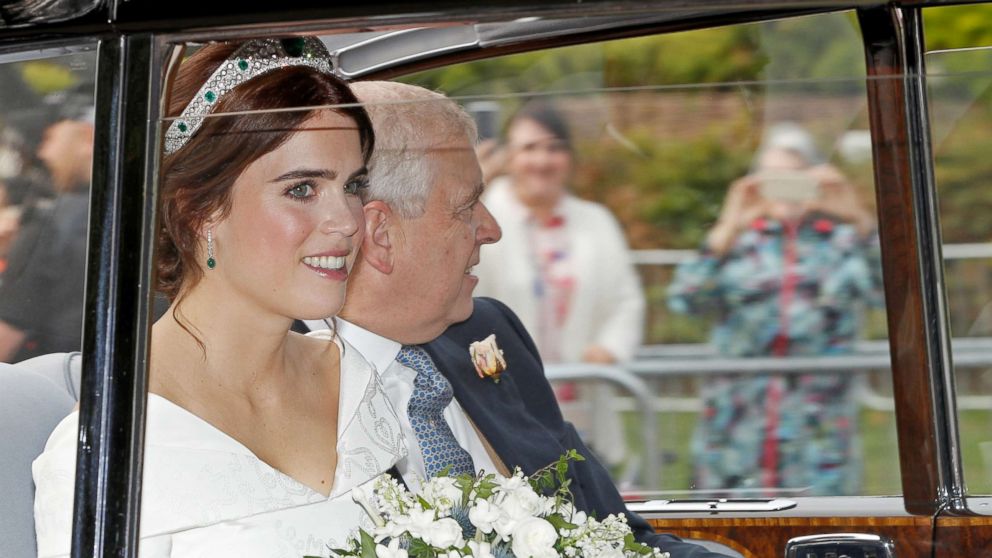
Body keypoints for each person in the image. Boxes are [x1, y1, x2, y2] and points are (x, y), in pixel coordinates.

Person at [301, 80, 728, 558]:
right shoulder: (272, 391)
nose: (492, 228)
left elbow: (622, 536)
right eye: (467, 206)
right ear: (381, 233)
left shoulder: (489, 333)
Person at [32, 38, 405, 558]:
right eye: (302, 189)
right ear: (198, 211)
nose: (347, 221)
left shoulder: (362, 378)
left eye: (353, 185)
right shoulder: (113, 449)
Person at [667, 122, 883, 496]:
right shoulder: (739, 242)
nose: (784, 186)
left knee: (822, 539)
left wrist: (862, 220)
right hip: (736, 430)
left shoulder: (843, 243)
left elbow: (898, 297)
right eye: (772, 177)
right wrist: (726, 225)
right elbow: (685, 299)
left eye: (795, 176)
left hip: (817, 433)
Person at [472, 100, 645, 467]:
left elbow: (626, 300)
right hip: (505, 401)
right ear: (508, 156)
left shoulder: (596, 221)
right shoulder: (482, 216)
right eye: (529, 148)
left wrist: (608, 349)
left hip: (581, 402)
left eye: (554, 147)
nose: (542, 160)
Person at [0, 111, 93, 362]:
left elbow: (6, 336)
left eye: (49, 139)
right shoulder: (145, 213)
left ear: (87, 137)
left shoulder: (51, 223)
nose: (43, 153)